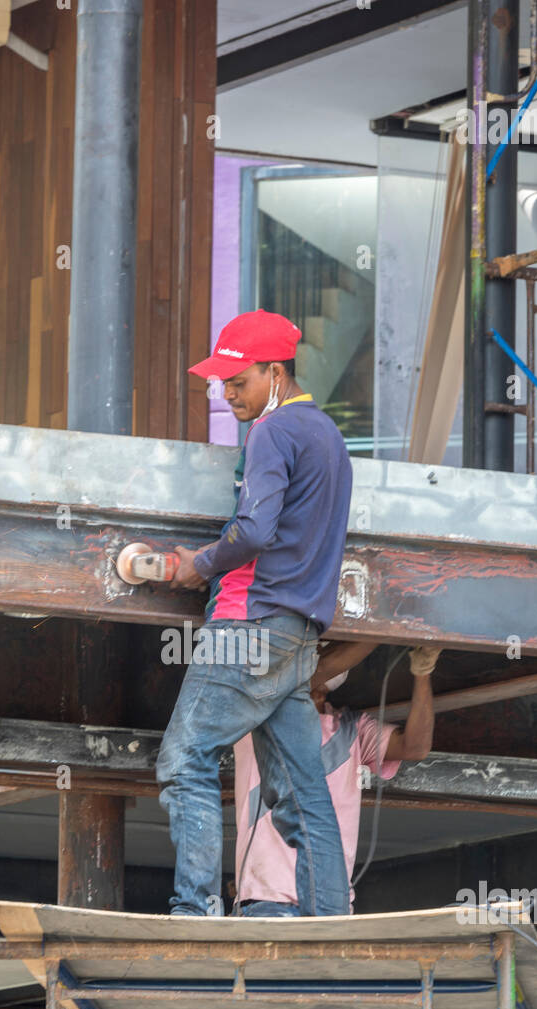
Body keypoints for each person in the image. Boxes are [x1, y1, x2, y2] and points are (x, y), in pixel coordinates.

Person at [156, 309, 353, 917]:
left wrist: (200, 564)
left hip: (247, 626)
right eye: (222, 382)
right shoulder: (331, 438)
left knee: (183, 759)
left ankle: (193, 913)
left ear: (275, 371)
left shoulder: (272, 433)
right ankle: (332, 925)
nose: (226, 393)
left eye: (238, 381)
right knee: (301, 796)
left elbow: (254, 529)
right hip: (297, 638)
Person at [232, 644, 439, 916]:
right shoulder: (264, 706)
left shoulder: (351, 729)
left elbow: (415, 747)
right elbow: (318, 670)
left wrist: (423, 672)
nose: (318, 655)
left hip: (331, 904)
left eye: (322, 648)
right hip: (267, 901)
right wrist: (385, 631)